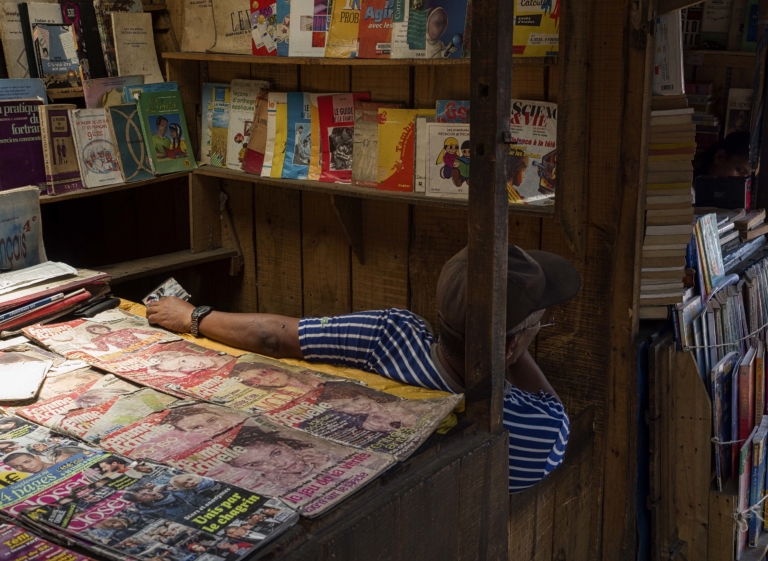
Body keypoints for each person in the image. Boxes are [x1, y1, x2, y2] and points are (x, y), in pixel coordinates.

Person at [146, 245, 581, 492]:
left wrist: (193, 316)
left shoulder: (390, 335)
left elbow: (273, 337)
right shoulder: (541, 434)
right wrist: (513, 341)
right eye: (538, 325)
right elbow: (548, 404)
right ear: (509, 345)